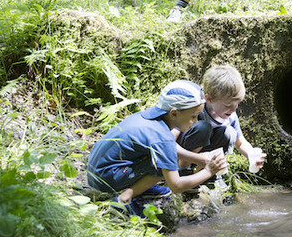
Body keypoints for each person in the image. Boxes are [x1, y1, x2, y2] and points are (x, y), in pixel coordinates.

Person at [86, 80, 227, 217]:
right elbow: (176, 186)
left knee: (165, 157)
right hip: (104, 181)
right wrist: (209, 171)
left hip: (96, 171)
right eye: (193, 116)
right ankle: (125, 197)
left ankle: (135, 189)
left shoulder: (150, 117)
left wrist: (199, 159)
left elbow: (168, 146)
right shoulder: (162, 136)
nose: (196, 122)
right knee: (163, 162)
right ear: (174, 113)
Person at [176, 64, 266, 174]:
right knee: (203, 128)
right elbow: (169, 140)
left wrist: (252, 155)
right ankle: (184, 170)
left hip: (206, 157)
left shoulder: (230, 115)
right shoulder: (196, 110)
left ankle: (210, 172)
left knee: (229, 132)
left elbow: (240, 142)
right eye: (228, 105)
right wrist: (194, 158)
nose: (233, 109)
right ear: (209, 99)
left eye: (237, 104)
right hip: (184, 152)